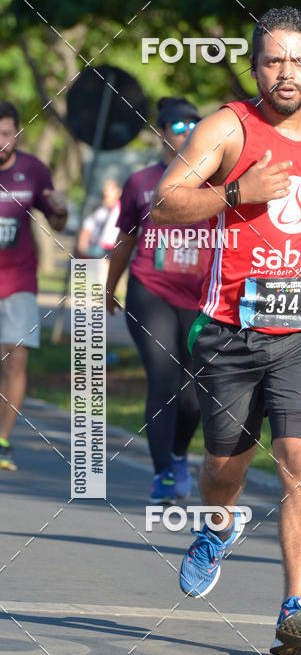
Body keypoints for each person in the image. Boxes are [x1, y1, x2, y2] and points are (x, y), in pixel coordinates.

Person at [151, 8, 301, 655]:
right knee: (224, 467)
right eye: (274, 60)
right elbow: (165, 201)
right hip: (231, 330)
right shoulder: (227, 129)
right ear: (255, 68)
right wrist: (236, 192)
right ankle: (217, 527)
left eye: (298, 61)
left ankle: (295, 607)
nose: (286, 72)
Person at [106, 97, 210, 504]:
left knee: (193, 393)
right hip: (149, 291)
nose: (187, 131)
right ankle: (163, 472)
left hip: (199, 298)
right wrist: (109, 287)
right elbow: (126, 239)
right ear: (161, 132)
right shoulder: (141, 182)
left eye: (194, 124)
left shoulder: (215, 180)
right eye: (179, 125)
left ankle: (180, 454)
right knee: (163, 378)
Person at [0, 100, 68, 471]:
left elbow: (57, 221)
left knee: (16, 360)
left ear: (17, 134)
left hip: (19, 280)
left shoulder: (33, 170)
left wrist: (61, 210)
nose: (1, 141)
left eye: (6, 133)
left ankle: (2, 441)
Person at [76, 178, 121, 259]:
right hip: (94, 249)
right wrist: (82, 247)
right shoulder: (99, 209)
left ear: (118, 192)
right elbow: (87, 228)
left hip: (111, 250)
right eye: (105, 190)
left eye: (111, 190)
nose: (106, 192)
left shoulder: (121, 210)